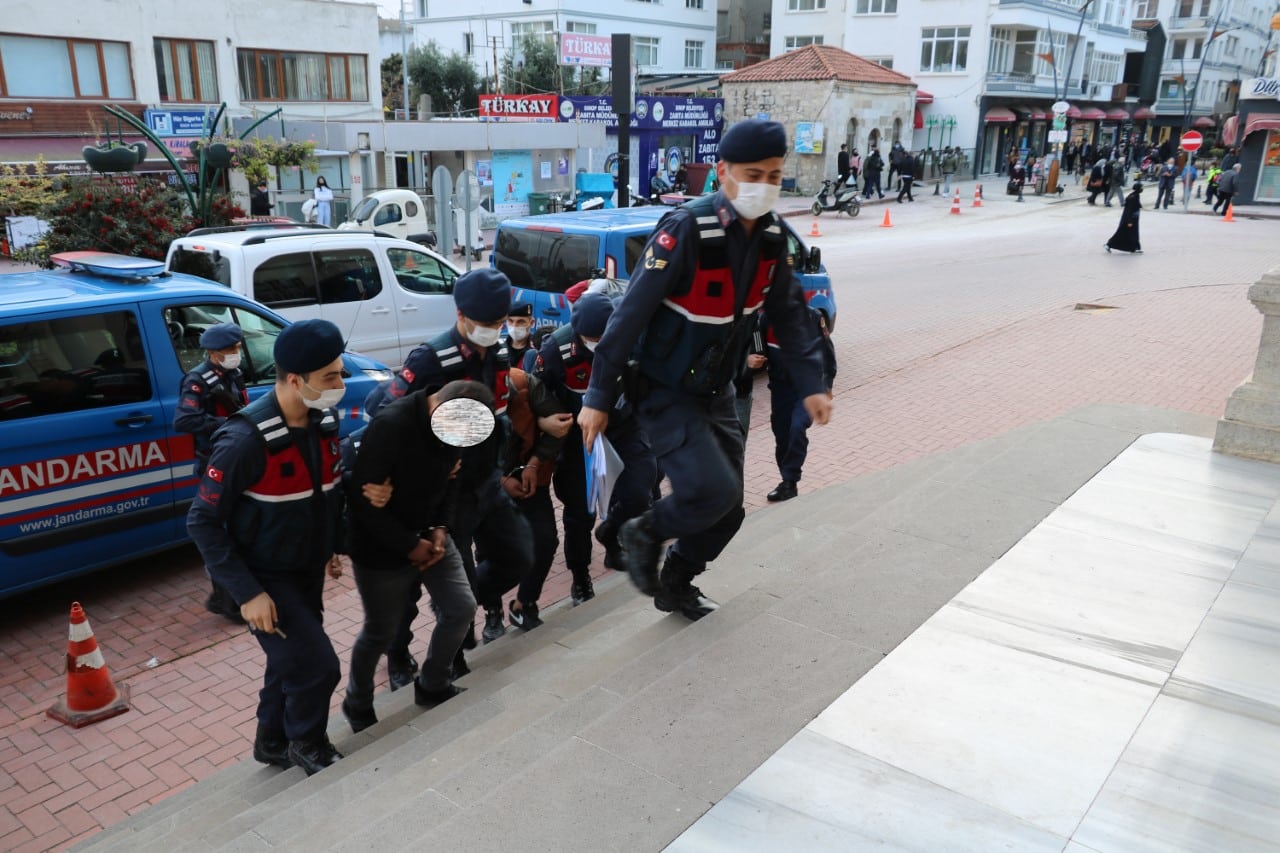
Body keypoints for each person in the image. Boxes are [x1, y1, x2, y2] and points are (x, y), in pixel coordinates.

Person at [577, 119, 832, 622]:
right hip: (663, 389)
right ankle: (641, 532)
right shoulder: (686, 230)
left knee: (728, 509)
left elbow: (792, 318)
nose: (764, 185)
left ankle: (676, 580)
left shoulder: (773, 239)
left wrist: (812, 384)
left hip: (718, 389)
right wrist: (597, 396)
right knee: (709, 491)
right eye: (753, 173)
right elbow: (629, 316)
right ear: (723, 172)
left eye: (775, 176)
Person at [186, 319, 349, 776]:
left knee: (290, 662)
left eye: (338, 373)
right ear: (295, 380)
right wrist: (247, 593)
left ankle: (271, 740)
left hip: (305, 568)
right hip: (264, 578)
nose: (340, 384)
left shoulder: (321, 421)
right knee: (317, 667)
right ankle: (307, 744)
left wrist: (331, 544)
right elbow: (202, 521)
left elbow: (321, 491)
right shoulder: (243, 441)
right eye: (330, 378)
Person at [369, 268, 533, 649]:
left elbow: (500, 411)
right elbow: (385, 413)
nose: (494, 330)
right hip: (445, 490)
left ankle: (470, 604)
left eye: (499, 322)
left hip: (486, 480)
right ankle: (419, 654)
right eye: (486, 323)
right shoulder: (432, 360)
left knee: (519, 555)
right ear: (460, 316)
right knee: (430, 583)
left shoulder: (500, 349)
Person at [342, 380, 496, 733]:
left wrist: (440, 528)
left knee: (460, 607)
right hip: (381, 545)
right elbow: (365, 505)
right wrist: (409, 546)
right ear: (437, 407)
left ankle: (433, 683)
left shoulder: (462, 426)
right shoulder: (392, 425)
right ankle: (358, 700)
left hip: (431, 534)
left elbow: (451, 483)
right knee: (380, 631)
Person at [533, 292, 658, 603]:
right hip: (579, 439)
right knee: (579, 514)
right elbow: (535, 396)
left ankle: (611, 533)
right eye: (590, 338)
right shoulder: (556, 350)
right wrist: (545, 422)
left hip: (624, 428)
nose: (597, 343)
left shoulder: (630, 336)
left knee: (639, 493)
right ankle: (580, 578)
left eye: (602, 336)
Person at [174, 322, 249, 623]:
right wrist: (228, 425)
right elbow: (185, 421)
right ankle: (226, 600)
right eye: (231, 350)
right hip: (213, 463)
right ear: (214, 352)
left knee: (241, 528)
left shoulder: (234, 373)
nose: (236, 354)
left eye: (238, 348)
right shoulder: (197, 380)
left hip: (235, 458)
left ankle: (230, 596)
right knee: (222, 531)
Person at [500, 367, 572, 627]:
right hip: (484, 484)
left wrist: (534, 462)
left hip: (529, 476)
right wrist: (500, 479)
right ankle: (491, 614)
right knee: (490, 553)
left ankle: (524, 604)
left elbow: (560, 424)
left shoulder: (525, 384)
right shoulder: (460, 395)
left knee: (544, 540)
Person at [760, 307, 837, 502]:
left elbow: (827, 352)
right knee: (782, 433)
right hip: (780, 389)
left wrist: (827, 384)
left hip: (807, 389)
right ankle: (787, 480)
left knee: (796, 428)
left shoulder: (813, 318)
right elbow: (757, 349)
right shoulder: (766, 319)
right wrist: (750, 359)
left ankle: (789, 480)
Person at [1105, 182, 1144, 255]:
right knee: (1121, 233)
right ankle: (1108, 244)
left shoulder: (1135, 195)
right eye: (1141, 188)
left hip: (1133, 219)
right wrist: (1129, 221)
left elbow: (1136, 205)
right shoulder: (1133, 197)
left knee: (1133, 234)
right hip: (1129, 219)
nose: (1142, 189)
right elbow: (1129, 210)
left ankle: (1135, 248)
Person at [504, 301, 537, 371]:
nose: (514, 326)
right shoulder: (499, 345)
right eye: (510, 321)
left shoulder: (537, 348)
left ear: (531, 323)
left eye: (520, 321)